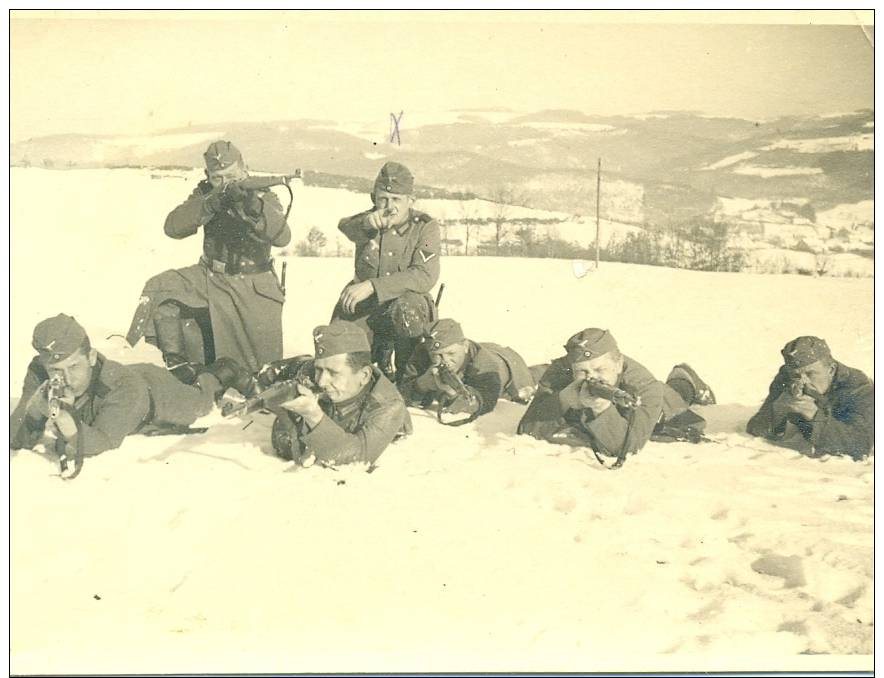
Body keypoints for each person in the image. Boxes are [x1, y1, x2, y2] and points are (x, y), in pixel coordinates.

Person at [126, 140, 291, 382]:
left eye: (232, 176)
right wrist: (212, 203)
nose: (226, 184)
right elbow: (173, 227)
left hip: (253, 285)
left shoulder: (263, 195)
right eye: (218, 178)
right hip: (209, 276)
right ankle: (177, 366)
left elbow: (283, 237)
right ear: (208, 176)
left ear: (245, 170)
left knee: (261, 373)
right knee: (160, 286)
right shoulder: (206, 194)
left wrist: (253, 206)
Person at [10, 314, 249, 474]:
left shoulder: (124, 387)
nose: (66, 379)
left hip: (156, 394)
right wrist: (34, 409)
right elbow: (16, 436)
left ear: (91, 357)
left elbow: (102, 442)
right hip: (127, 378)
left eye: (74, 366)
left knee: (201, 399)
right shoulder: (40, 372)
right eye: (55, 370)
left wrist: (64, 420)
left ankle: (222, 370)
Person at [517, 328, 715, 463]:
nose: (592, 378)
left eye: (599, 369)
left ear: (618, 364)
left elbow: (628, 446)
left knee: (676, 394)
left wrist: (601, 409)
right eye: (582, 372)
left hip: (664, 405)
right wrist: (563, 400)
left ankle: (685, 379)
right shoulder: (561, 371)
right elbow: (527, 427)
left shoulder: (643, 385)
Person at [331, 161, 441, 380]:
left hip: (405, 307)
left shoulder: (425, 227)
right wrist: (366, 225)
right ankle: (377, 354)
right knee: (337, 357)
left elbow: (424, 275)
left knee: (408, 308)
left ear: (411, 201)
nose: (390, 206)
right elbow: (346, 226)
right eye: (383, 199)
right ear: (374, 199)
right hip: (366, 308)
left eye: (397, 200)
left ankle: (407, 377)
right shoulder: (368, 221)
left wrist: (373, 285)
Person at [268, 320, 412, 469]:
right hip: (298, 365)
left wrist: (312, 416)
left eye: (333, 373)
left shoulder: (389, 406)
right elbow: (281, 437)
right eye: (319, 369)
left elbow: (358, 458)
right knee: (268, 374)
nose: (322, 381)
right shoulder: (312, 373)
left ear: (364, 376)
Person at [746, 336, 873, 460]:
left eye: (810, 373)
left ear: (831, 369)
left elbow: (861, 445)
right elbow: (755, 427)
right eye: (796, 375)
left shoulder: (858, 388)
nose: (802, 381)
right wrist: (777, 411)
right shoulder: (788, 376)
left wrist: (814, 415)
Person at [398, 318, 540, 423]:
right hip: (482, 348)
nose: (445, 361)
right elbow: (400, 391)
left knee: (534, 377)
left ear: (465, 346)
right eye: (437, 356)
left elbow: (485, 402)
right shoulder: (423, 353)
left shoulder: (485, 364)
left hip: (509, 366)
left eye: (451, 354)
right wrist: (421, 385)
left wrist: (453, 395)